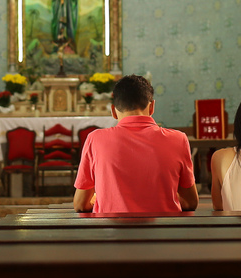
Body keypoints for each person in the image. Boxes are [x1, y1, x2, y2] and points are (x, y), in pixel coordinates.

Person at [73, 74, 198, 214]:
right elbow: (191, 202)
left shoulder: (95, 139)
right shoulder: (178, 139)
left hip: (112, 234)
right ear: (152, 108)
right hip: (163, 233)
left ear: (113, 111)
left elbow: (80, 205)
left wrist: (100, 199)